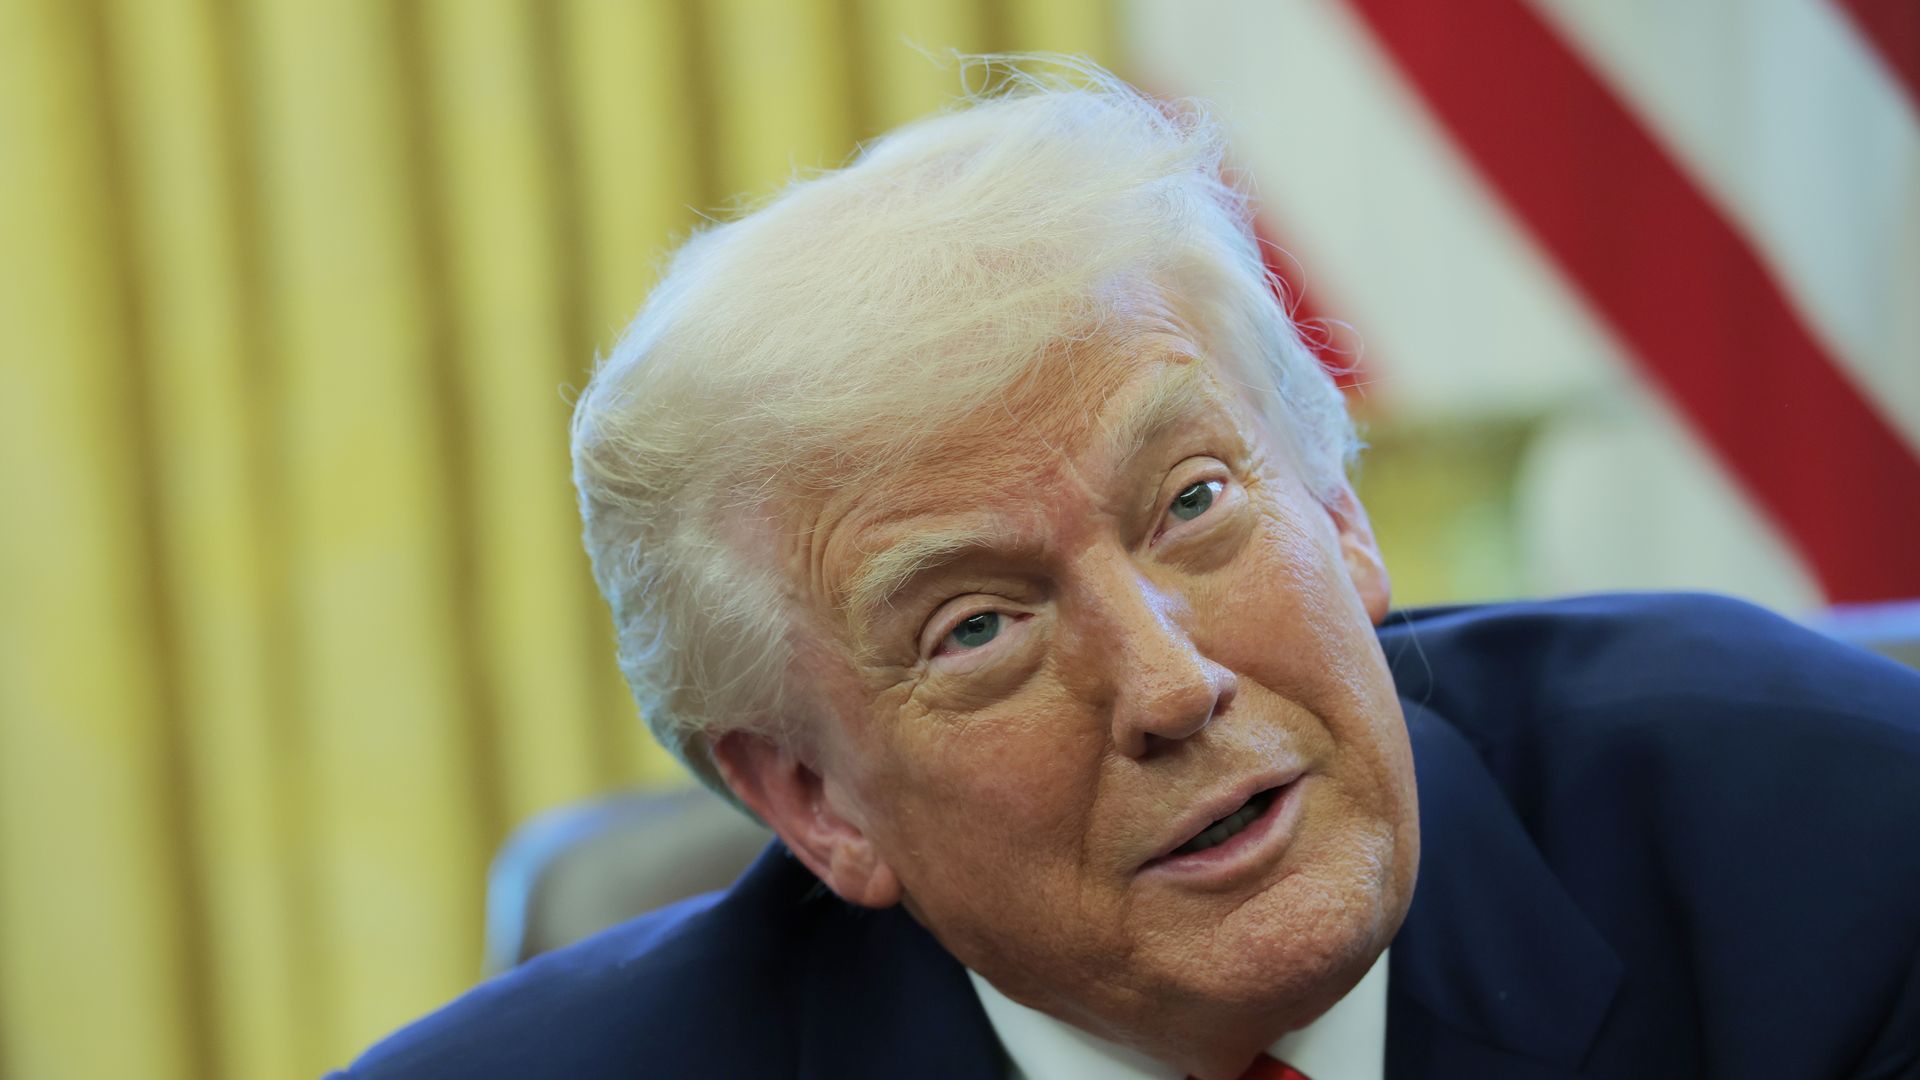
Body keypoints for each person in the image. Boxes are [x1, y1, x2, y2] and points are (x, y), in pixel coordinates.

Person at [332, 63, 1920, 1079]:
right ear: (811, 799)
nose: (1169, 684)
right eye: (974, 628)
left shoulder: (1835, 851)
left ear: (1345, 517)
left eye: (1195, 502)